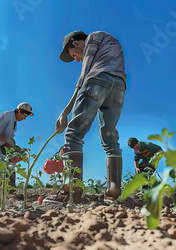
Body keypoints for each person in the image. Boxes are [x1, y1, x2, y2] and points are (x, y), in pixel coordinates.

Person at [53, 30, 127, 203]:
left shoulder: (93, 37)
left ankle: (72, 192)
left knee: (73, 135)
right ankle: (113, 193)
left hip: (98, 79)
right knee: (110, 138)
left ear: (75, 43)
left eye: (74, 55)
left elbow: (84, 76)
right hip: (119, 87)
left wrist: (65, 112)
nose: (77, 59)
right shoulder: (108, 39)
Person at [0, 102, 34, 195]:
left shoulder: (14, 123)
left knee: (9, 167)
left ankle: (10, 192)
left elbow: (7, 141)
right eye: (24, 115)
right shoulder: (7, 116)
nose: (24, 118)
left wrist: (17, 148)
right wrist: (6, 140)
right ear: (19, 111)